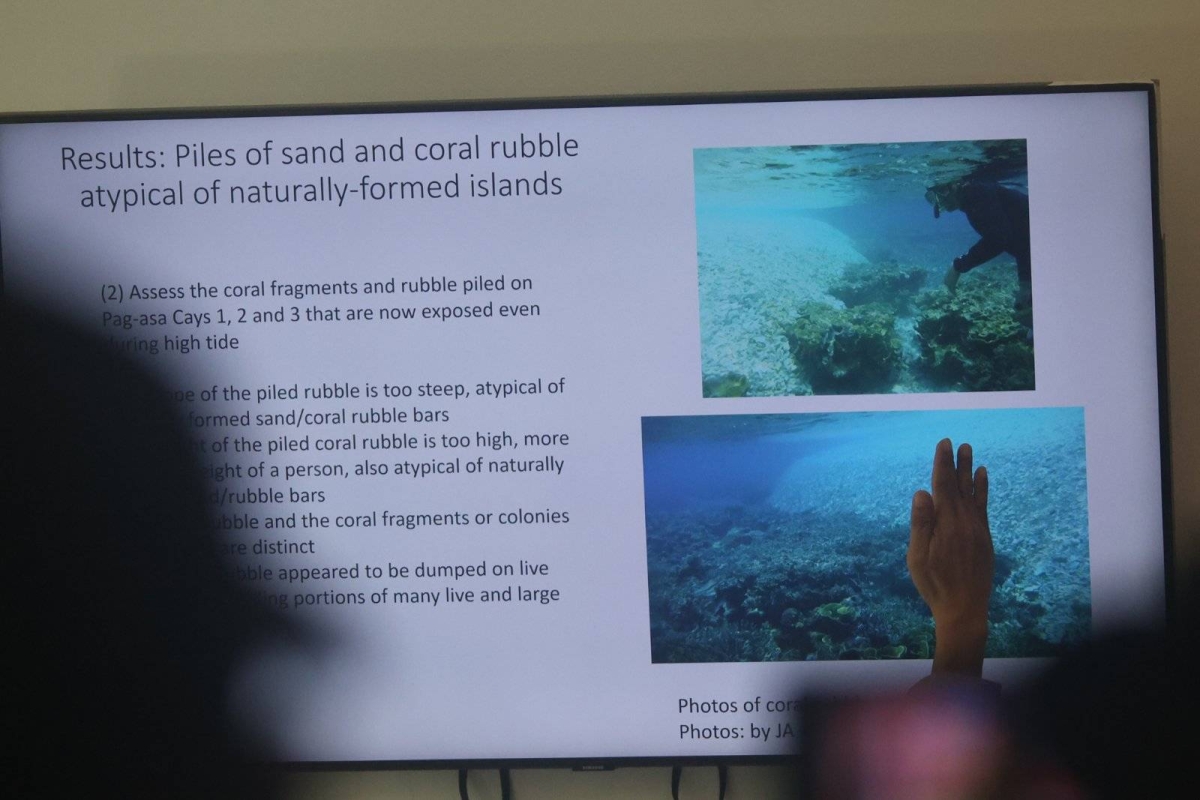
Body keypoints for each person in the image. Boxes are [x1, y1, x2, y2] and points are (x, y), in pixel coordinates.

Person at [925, 179, 1032, 330]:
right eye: (933, 195)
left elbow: (999, 239)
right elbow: (1021, 240)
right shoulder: (972, 200)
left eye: (942, 191)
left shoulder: (978, 194)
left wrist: (957, 267)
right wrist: (1026, 285)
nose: (940, 200)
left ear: (956, 184)